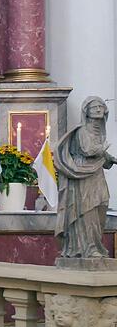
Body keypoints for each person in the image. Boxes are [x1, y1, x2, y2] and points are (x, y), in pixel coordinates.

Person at [54, 96, 117, 258]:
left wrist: (109, 158)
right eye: (94, 107)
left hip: (96, 175)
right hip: (82, 174)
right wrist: (103, 152)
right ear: (86, 111)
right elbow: (87, 150)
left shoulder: (98, 132)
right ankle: (87, 248)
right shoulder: (82, 130)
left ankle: (96, 244)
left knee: (101, 206)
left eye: (101, 107)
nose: (98, 109)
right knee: (87, 210)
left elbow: (98, 155)